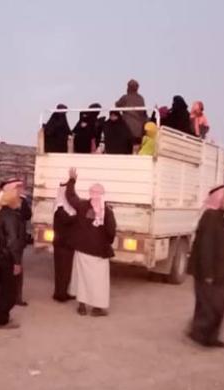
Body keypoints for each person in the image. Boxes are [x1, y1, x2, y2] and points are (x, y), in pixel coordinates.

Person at [187, 186, 224, 348]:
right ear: (217, 198)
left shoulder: (218, 216)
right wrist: (208, 273)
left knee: (210, 305)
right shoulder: (210, 217)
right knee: (213, 306)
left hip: (219, 272)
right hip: (211, 273)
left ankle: (203, 334)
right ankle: (203, 336)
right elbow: (206, 246)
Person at [65, 168, 116, 317]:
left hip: (82, 250)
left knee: (82, 279)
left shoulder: (82, 206)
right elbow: (111, 231)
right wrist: (107, 242)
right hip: (98, 253)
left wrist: (72, 180)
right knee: (98, 281)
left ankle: (81, 307)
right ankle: (97, 309)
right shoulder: (107, 211)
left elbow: (70, 196)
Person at [0, 182, 26, 329]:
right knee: (10, 292)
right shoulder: (11, 217)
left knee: (4, 290)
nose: (20, 200)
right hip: (7, 258)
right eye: (18, 197)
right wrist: (16, 262)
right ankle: (2, 320)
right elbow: (12, 242)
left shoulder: (0, 213)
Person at [0, 179, 32, 306]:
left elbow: (28, 215)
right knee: (6, 271)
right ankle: (1, 296)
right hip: (7, 245)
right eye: (18, 188)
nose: (21, 190)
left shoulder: (22, 201)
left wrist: (21, 206)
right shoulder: (3, 202)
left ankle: (17, 297)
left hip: (16, 242)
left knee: (17, 272)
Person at [52, 184, 76, 302]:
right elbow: (67, 220)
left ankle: (62, 292)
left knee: (65, 270)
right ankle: (60, 294)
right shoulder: (60, 208)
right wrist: (78, 215)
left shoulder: (63, 207)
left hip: (64, 243)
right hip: (63, 244)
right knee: (63, 270)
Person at [115, 80, 147, 146]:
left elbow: (117, 105)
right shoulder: (141, 98)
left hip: (128, 130)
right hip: (140, 131)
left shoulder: (125, 98)